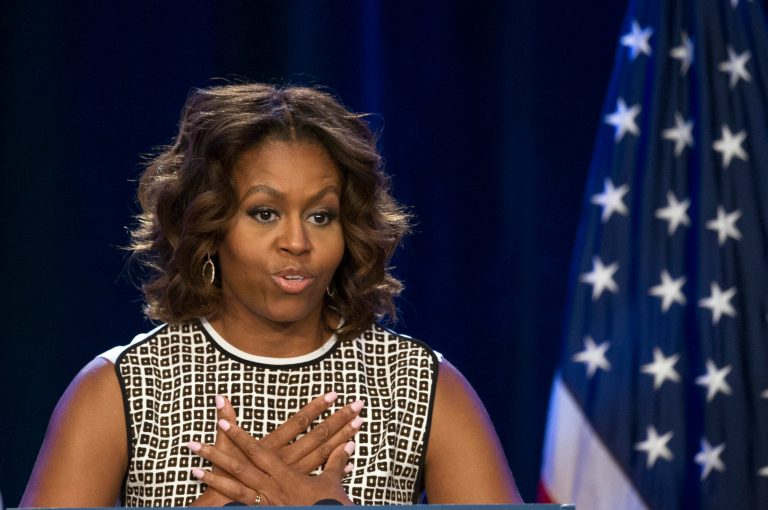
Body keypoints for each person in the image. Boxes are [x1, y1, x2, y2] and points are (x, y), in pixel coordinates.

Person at [21, 83, 522, 507]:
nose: (298, 242)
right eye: (265, 213)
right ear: (208, 226)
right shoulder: (123, 389)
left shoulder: (419, 386)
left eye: (321, 216)